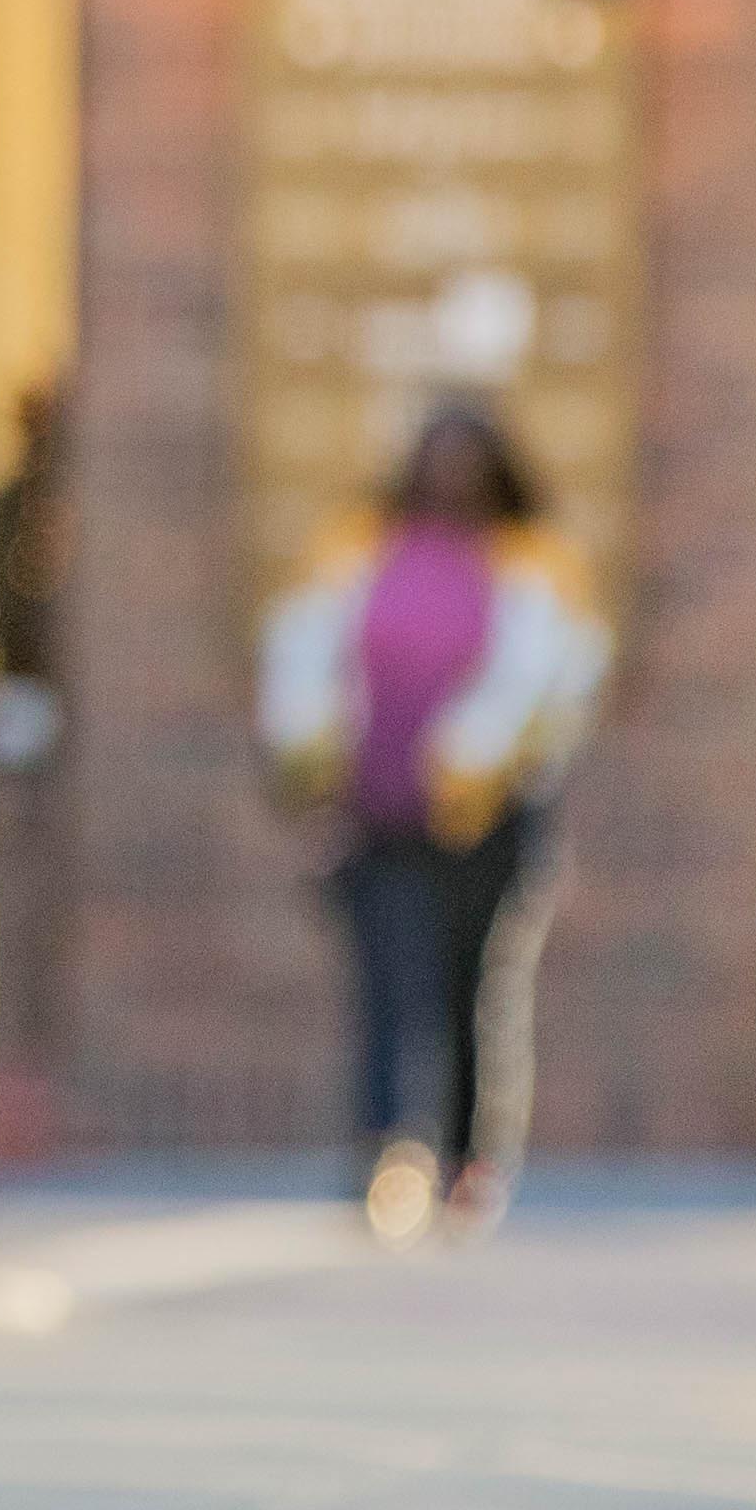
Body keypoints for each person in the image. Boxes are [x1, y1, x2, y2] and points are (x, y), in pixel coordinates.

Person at [254, 403, 612, 1240]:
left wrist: (484, 756)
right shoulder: (358, 550)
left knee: (471, 986)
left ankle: (468, 1159)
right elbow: (305, 657)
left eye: (467, 463)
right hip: (375, 812)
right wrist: (308, 755)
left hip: (484, 816)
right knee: (383, 986)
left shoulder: (536, 565)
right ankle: (383, 1150)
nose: (450, 478)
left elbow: (559, 680)